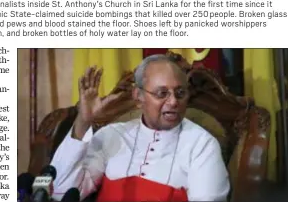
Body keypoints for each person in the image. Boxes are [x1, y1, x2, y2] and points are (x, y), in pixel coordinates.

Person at [50, 55, 230, 202]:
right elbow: (61, 192)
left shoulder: (202, 145)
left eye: (180, 93)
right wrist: (83, 121)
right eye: (162, 93)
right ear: (138, 97)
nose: (174, 101)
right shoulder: (112, 135)